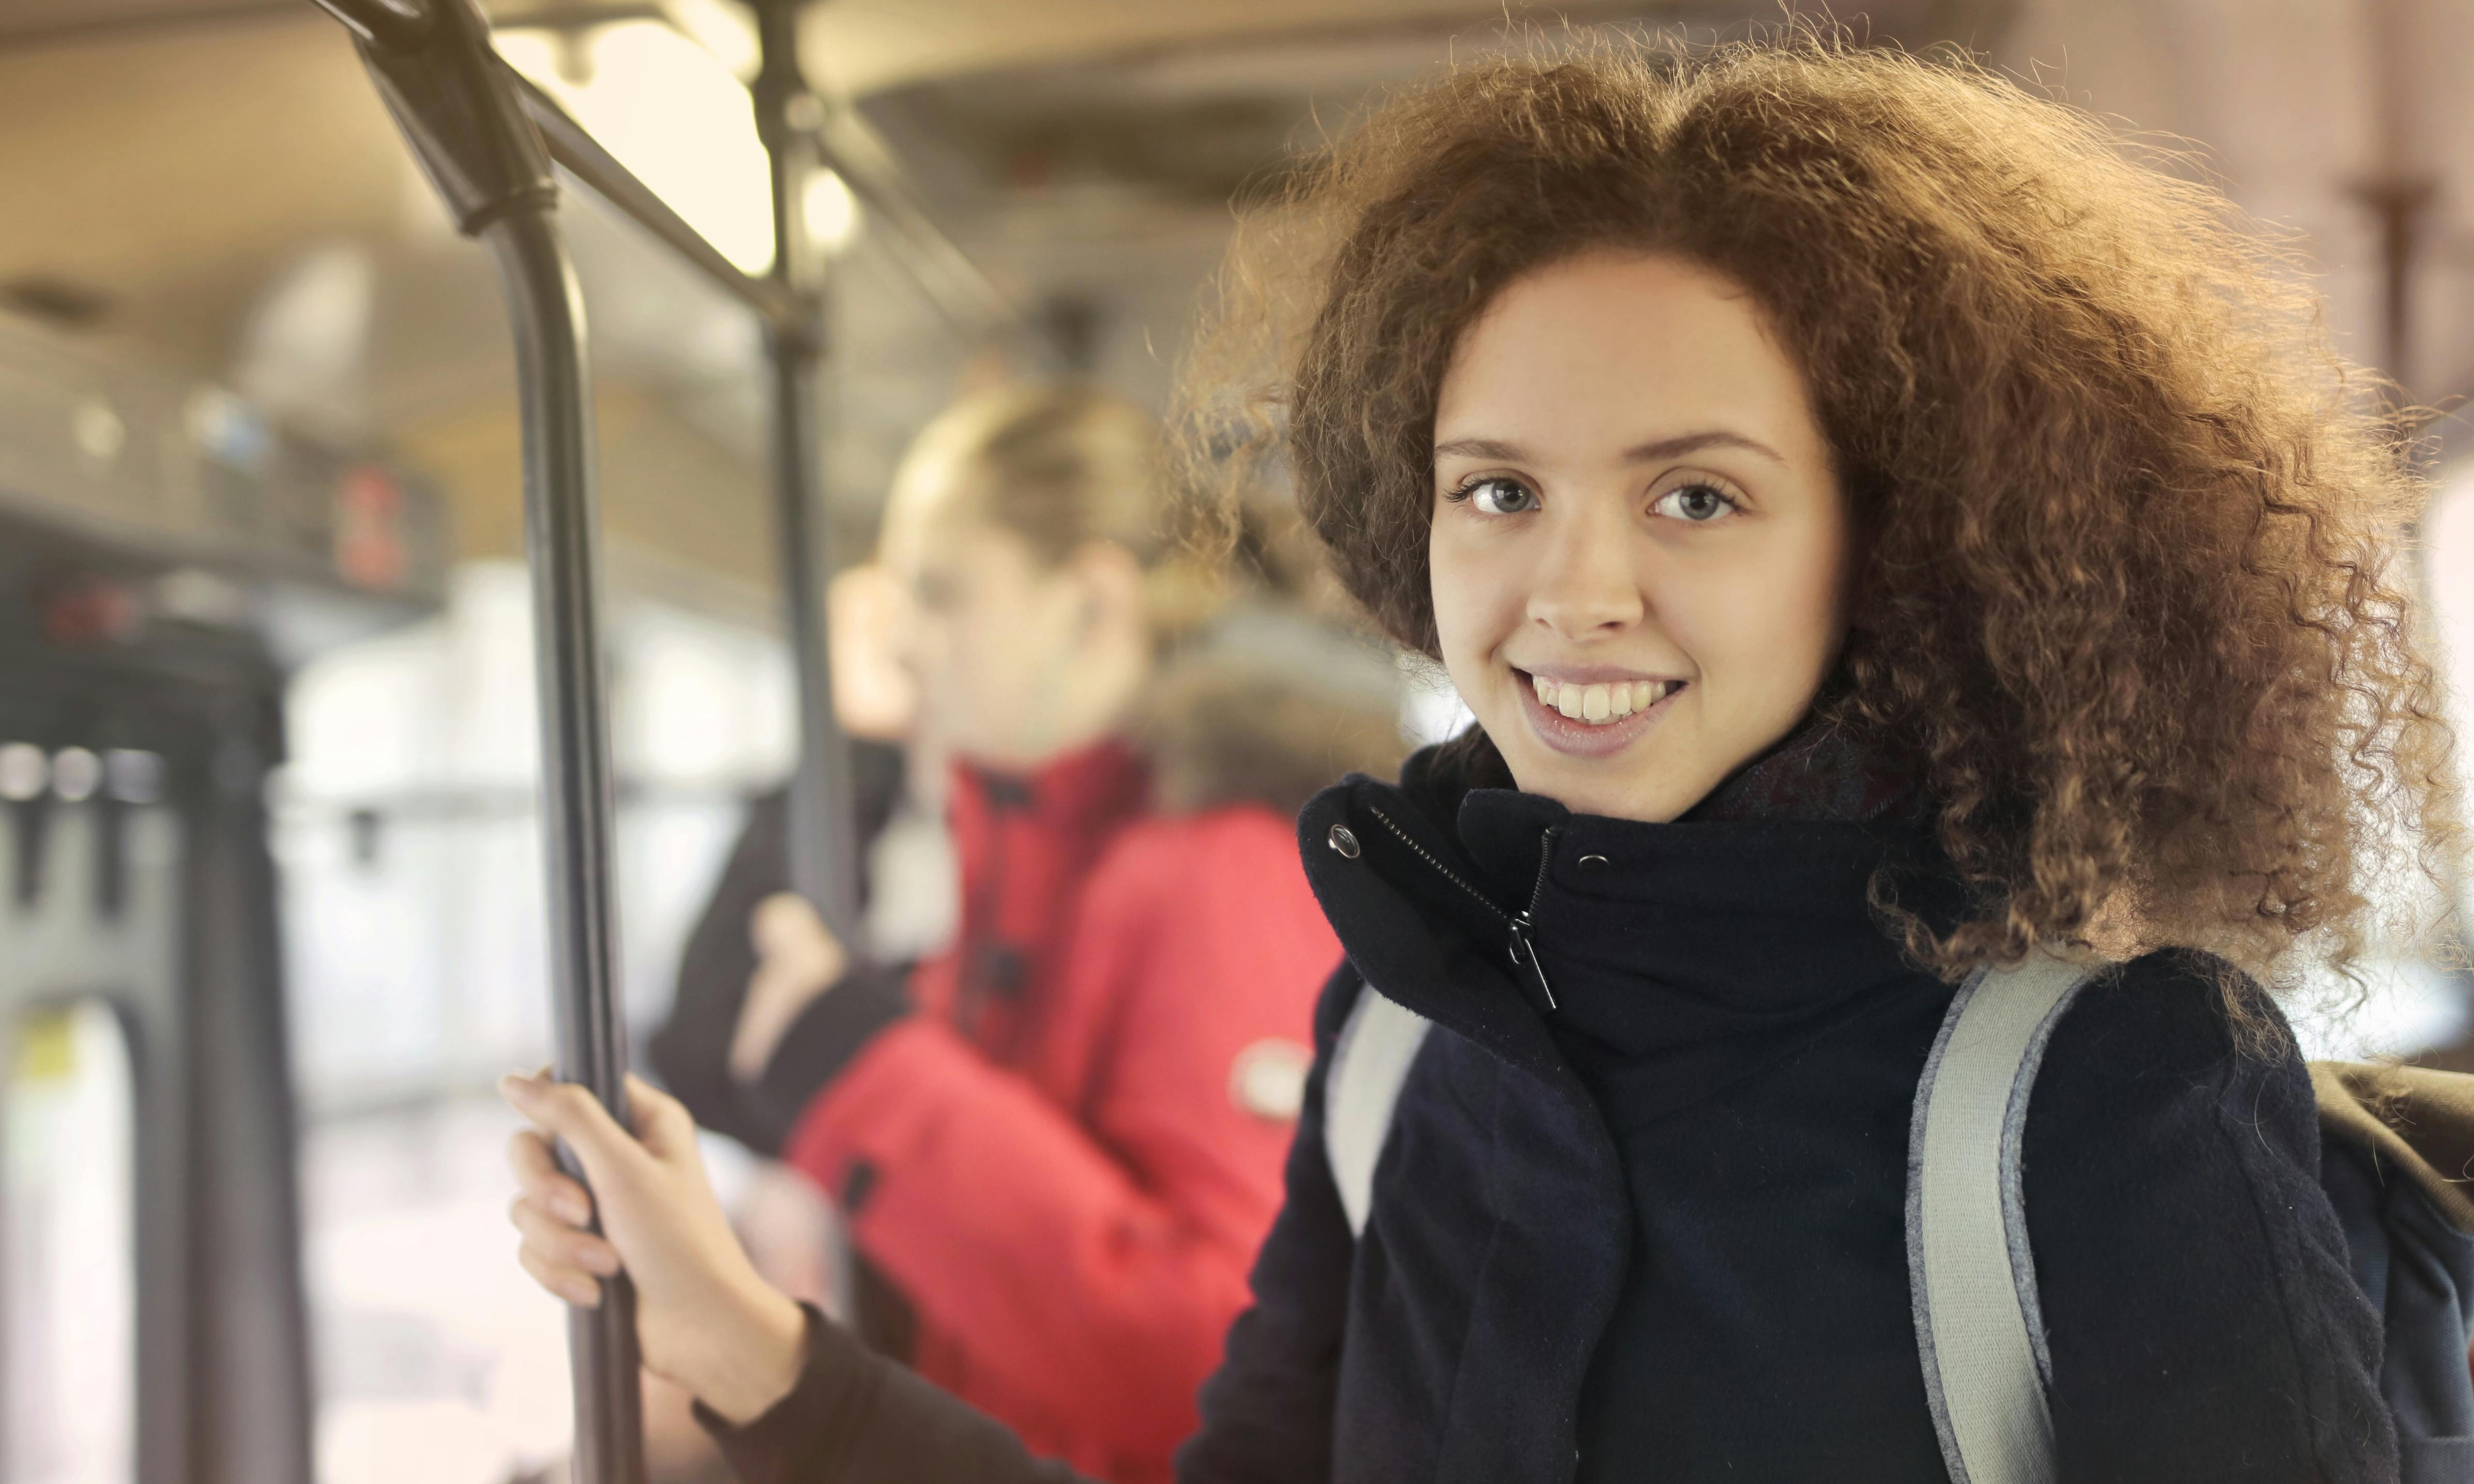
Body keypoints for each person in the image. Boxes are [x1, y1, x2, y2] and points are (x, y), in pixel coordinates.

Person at [502, 34, 2465, 1482]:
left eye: (1695, 497)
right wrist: (758, 1353)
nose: (1566, 591)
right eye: (1498, 490)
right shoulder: (1402, 1038)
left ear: (1892, 543)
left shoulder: (2101, 1083)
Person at [624, 381, 1405, 1483]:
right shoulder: (1049, 857)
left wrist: (869, 1074)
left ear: (1087, 604)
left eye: (941, 594)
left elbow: (1220, 1346)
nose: (903, 649)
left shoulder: (1214, 868)